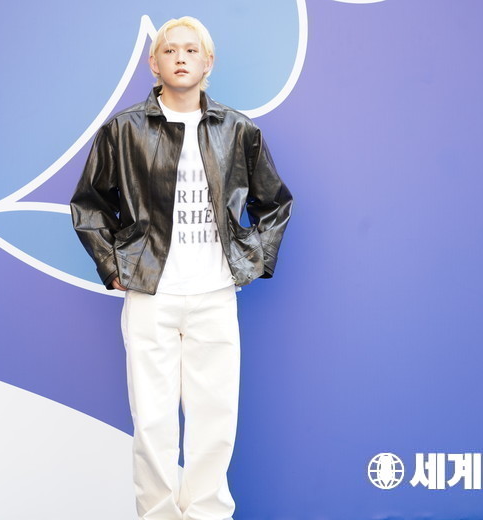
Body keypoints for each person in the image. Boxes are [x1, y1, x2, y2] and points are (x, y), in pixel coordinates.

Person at [70, 15, 292, 520]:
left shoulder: (237, 129)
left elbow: (274, 203)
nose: (181, 58)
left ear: (208, 62)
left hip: (215, 293)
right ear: (154, 63)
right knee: (152, 422)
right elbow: (89, 204)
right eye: (170, 50)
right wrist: (112, 263)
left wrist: (250, 259)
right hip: (152, 293)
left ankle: (209, 514)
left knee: (216, 420)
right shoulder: (124, 129)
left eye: (192, 50)